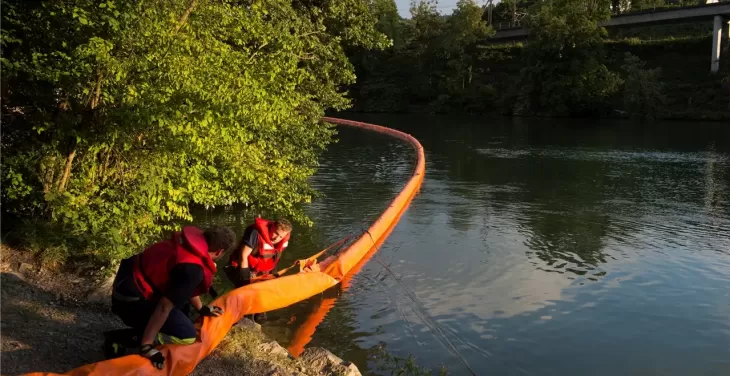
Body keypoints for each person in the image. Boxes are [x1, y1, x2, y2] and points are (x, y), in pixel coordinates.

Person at [103, 225, 236, 369]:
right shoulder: (194, 270)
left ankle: (145, 334)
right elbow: (164, 306)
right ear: (220, 252)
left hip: (125, 288)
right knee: (187, 336)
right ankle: (123, 339)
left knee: (183, 307)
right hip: (131, 303)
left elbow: (183, 285)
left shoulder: (183, 245)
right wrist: (146, 346)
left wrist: (201, 308)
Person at [224, 217, 292, 289]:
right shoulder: (255, 233)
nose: (276, 238)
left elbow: (274, 260)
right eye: (276, 233)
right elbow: (243, 256)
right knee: (244, 288)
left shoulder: (282, 241)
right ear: (271, 227)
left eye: (280, 237)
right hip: (241, 267)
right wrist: (245, 282)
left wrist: (274, 277)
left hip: (261, 270)